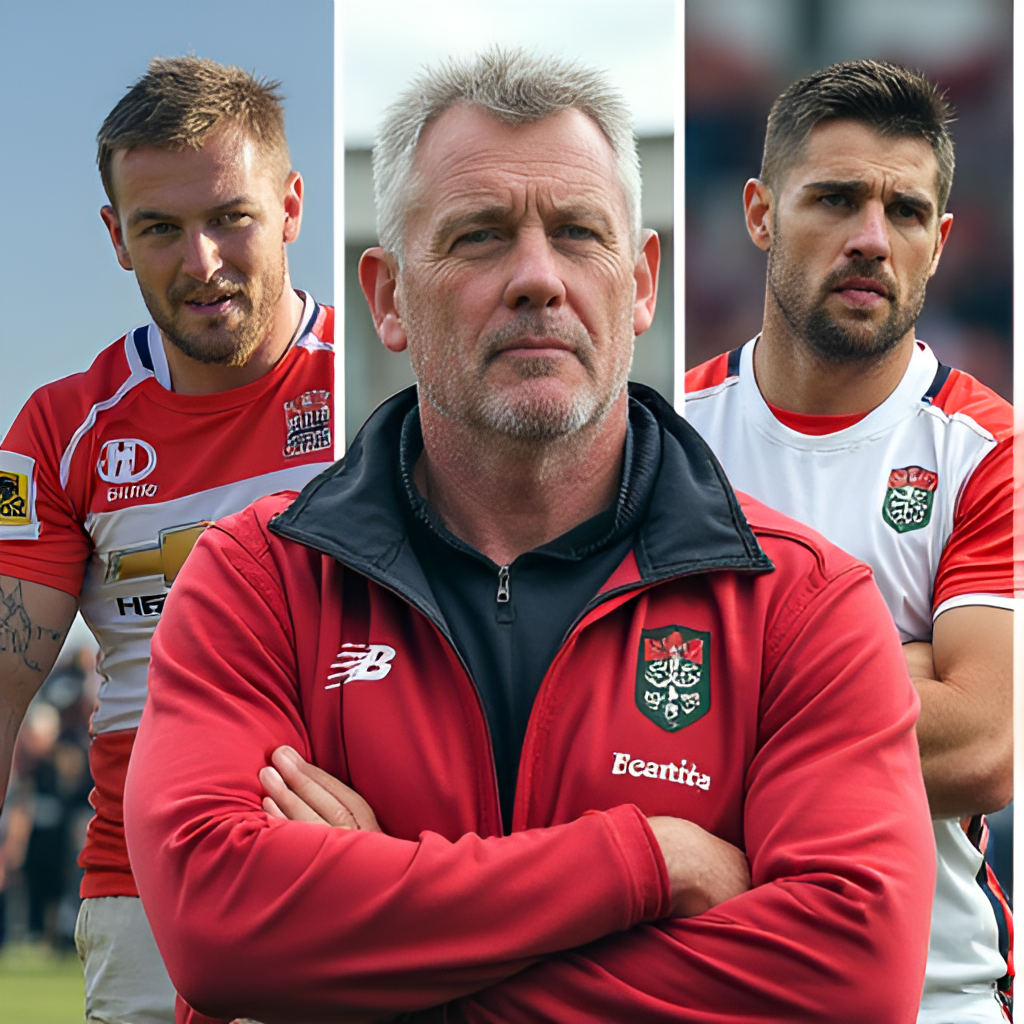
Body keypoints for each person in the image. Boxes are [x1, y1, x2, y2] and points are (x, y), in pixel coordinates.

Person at [126, 50, 935, 1024]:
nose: (538, 279)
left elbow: (854, 976)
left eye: (578, 233)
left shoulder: (800, 602)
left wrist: (373, 952)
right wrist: (643, 861)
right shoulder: (257, 577)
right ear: (387, 298)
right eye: (478, 237)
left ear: (641, 282)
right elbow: (217, 923)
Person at [0, 56, 335, 1024]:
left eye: (231, 216)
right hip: (145, 890)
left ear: (290, 206)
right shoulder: (59, 430)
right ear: (116, 236)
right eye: (160, 228)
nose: (202, 262)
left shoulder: (387, 386)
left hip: (359, 863)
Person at [685, 60, 1013, 1023]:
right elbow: (604, 718)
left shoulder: (985, 450)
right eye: (835, 200)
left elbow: (985, 746)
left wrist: (730, 687)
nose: (872, 239)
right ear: (760, 214)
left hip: (935, 990)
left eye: (905, 212)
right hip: (710, 982)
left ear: (939, 243)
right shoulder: (669, 436)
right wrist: (888, 667)